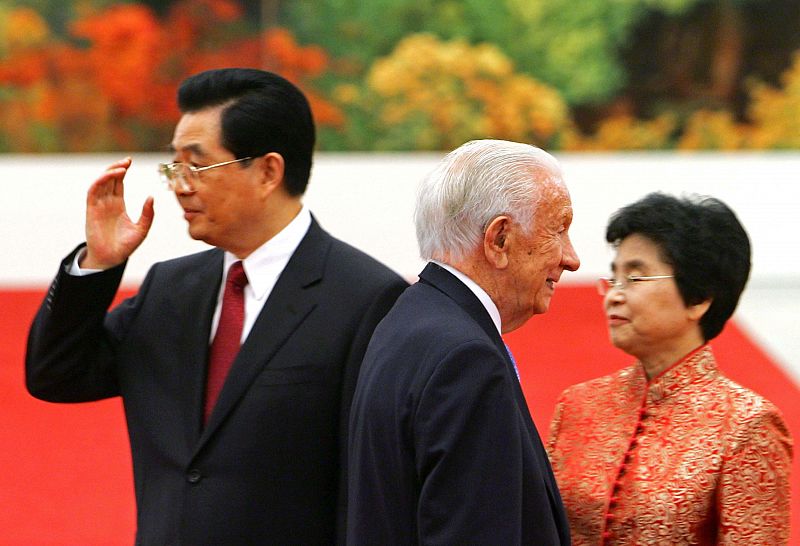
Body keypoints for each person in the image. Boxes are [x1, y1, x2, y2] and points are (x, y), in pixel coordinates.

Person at [25, 68, 408, 545]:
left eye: (196, 166)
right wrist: (97, 265)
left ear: (268, 171)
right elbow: (56, 374)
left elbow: (375, 486)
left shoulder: (366, 299)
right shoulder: (171, 289)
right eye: (174, 166)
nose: (179, 185)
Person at [347, 139, 579, 545]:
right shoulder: (466, 358)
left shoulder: (408, 322)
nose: (571, 257)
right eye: (558, 230)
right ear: (499, 240)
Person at [547, 193, 793, 545]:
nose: (613, 295)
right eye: (613, 278)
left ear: (699, 298)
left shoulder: (746, 425)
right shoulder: (578, 406)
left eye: (635, 278)